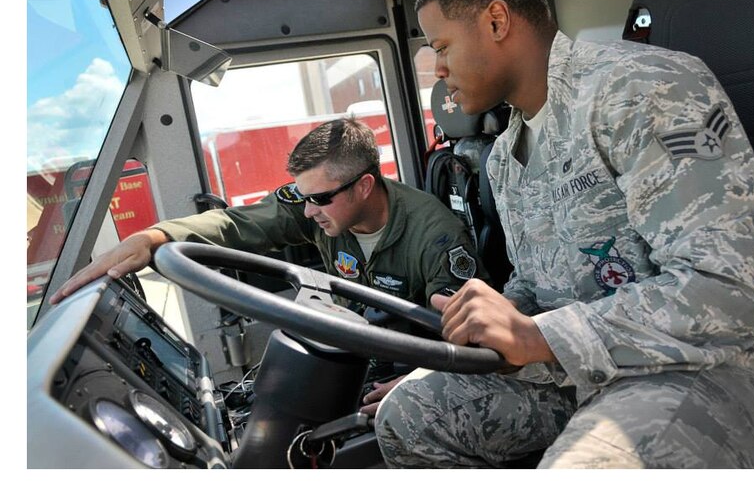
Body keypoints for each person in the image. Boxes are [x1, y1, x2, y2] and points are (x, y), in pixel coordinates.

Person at [373, 0, 754, 468]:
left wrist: (540, 336)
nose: (439, 70)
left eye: (443, 46)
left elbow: (740, 291)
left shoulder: (639, 89)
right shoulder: (504, 159)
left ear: (497, 21)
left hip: (700, 370)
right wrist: (482, 335)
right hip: (576, 369)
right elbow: (534, 284)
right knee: (409, 415)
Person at [51, 117, 490, 415]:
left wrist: (420, 381)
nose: (308, 211)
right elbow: (236, 223)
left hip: (409, 367)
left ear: (365, 186)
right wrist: (156, 237)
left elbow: (471, 342)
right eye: (302, 198)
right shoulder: (319, 206)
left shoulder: (436, 237)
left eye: (319, 199)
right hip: (356, 351)